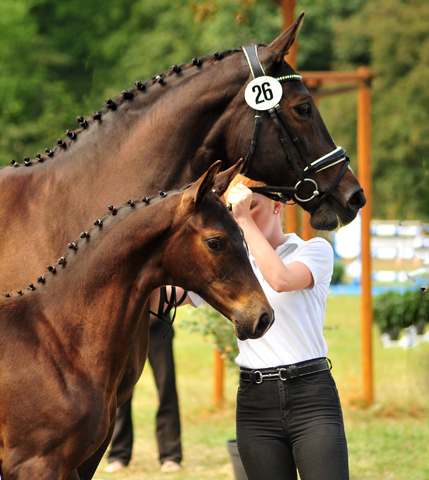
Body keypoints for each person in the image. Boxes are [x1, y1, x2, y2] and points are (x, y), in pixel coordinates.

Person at [223, 175, 350, 480]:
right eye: (234, 210)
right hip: (255, 403)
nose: (241, 216)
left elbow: (281, 280)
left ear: (277, 206)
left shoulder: (314, 250)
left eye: (251, 207)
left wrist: (244, 223)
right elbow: (172, 296)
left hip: (311, 398)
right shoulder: (231, 264)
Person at [105, 311, 182, 474]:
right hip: (127, 325)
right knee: (120, 392)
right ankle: (119, 454)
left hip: (159, 325)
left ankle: (170, 455)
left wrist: (153, 314)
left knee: (166, 387)